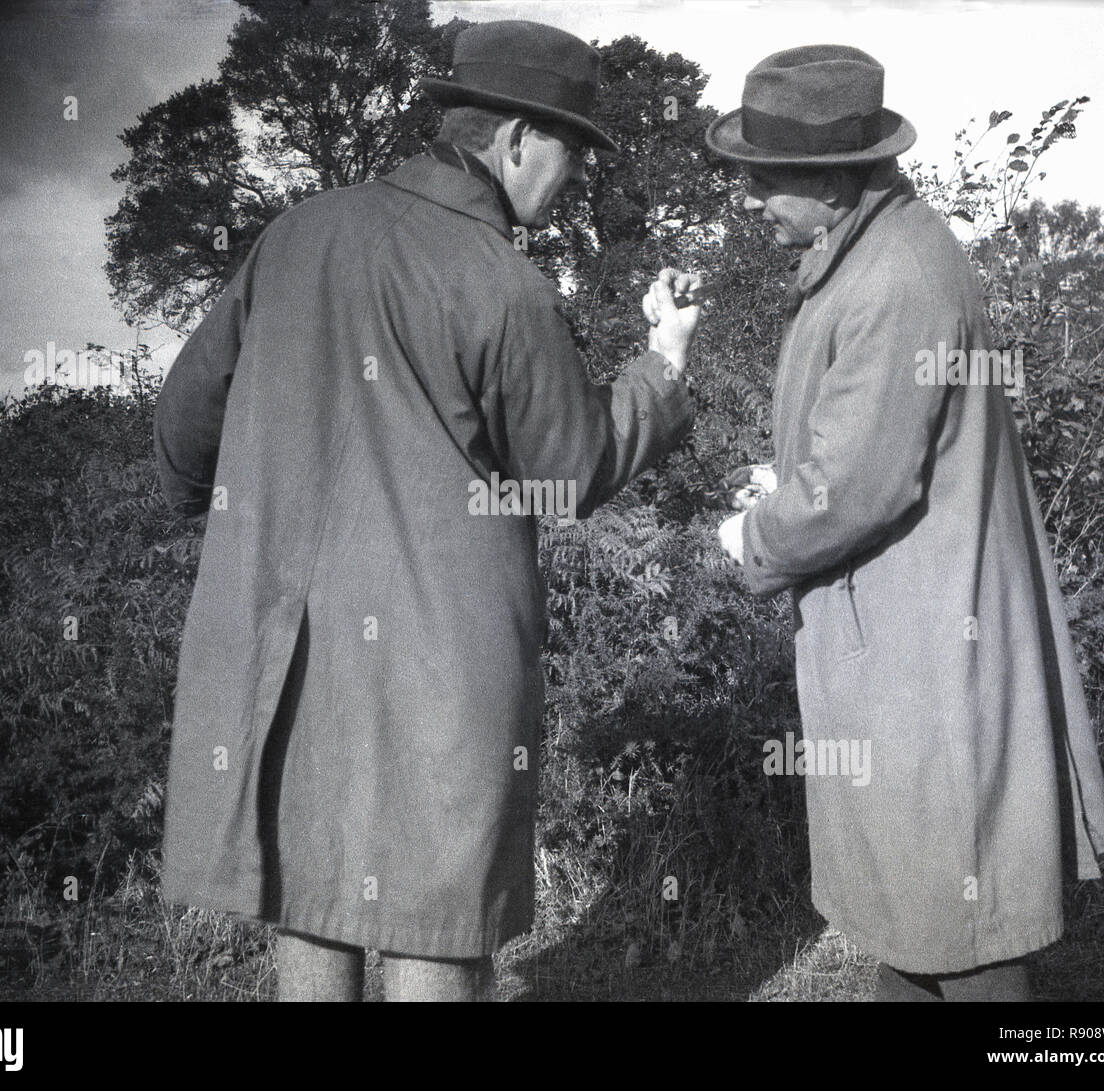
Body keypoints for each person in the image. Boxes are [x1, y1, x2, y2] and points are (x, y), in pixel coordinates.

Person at [153, 19, 701, 1002]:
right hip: (444, 661)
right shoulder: (502, 281)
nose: (575, 174)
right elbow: (570, 469)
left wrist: (239, 516)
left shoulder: (296, 234)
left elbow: (183, 424)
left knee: (311, 894)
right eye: (573, 149)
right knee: (434, 913)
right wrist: (662, 368)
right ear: (518, 139)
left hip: (292, 639)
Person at [708, 45, 1104, 1000]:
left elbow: (856, 488)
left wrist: (755, 534)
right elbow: (873, 435)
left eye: (770, 179)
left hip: (931, 642)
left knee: (964, 925)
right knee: (921, 903)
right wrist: (793, 469)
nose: (753, 195)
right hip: (908, 631)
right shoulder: (876, 250)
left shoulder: (895, 275)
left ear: (836, 181)